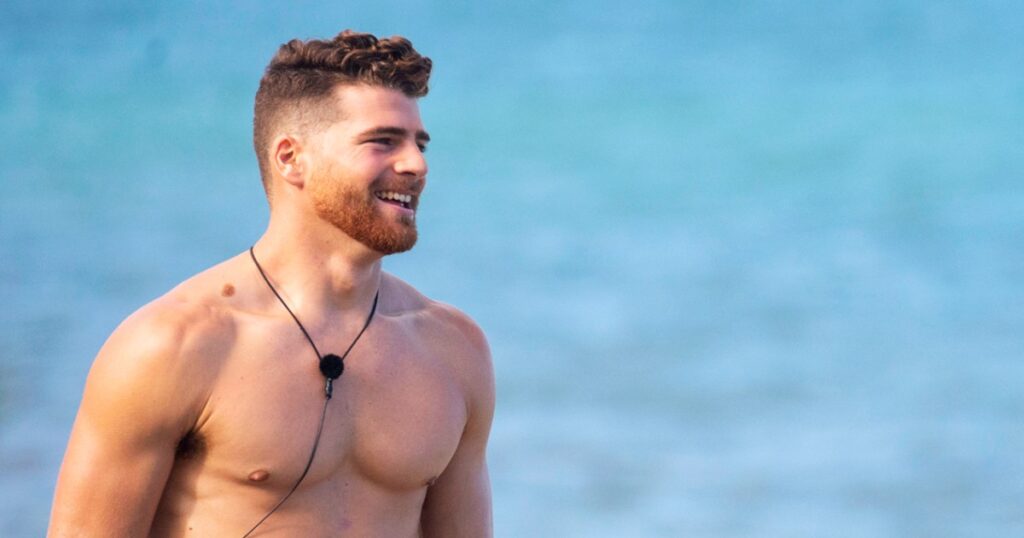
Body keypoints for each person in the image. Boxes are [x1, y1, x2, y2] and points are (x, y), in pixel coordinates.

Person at [48, 30, 495, 537]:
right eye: (383, 141)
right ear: (290, 158)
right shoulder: (174, 345)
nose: (417, 164)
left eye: (419, 143)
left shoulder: (454, 350)